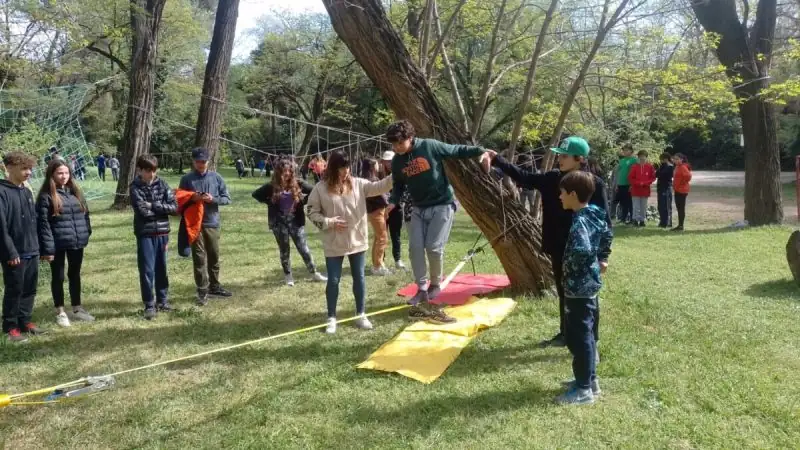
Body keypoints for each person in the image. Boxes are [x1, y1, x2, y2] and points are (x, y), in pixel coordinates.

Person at [488, 136, 610, 348]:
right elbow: (524, 177)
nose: (559, 159)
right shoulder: (552, 178)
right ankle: (565, 334)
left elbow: (604, 221)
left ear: (579, 159)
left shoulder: (593, 184)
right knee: (564, 291)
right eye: (558, 155)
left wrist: (603, 255)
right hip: (558, 246)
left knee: (586, 296)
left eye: (564, 156)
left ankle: (591, 339)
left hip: (584, 250)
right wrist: (497, 159)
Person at [385, 120, 492, 324]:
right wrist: (393, 202)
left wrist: (480, 151)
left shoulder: (430, 146)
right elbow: (398, 185)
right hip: (417, 207)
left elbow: (456, 150)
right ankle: (422, 289)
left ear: (410, 138)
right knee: (415, 248)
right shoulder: (398, 161)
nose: (396, 148)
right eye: (393, 144)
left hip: (442, 204)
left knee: (433, 248)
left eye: (399, 143)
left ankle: (435, 284)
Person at [307, 150, 393, 334]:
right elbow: (311, 211)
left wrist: (398, 171)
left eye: (347, 167)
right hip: (334, 242)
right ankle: (331, 317)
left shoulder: (359, 184)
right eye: (341, 167)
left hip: (357, 240)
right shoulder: (320, 189)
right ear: (332, 168)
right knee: (334, 280)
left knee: (359, 278)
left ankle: (360, 314)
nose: (345, 171)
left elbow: (381, 186)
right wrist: (328, 222)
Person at [555, 170, 612, 405]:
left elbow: (581, 249)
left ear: (573, 194)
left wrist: (567, 267)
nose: (559, 197)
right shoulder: (595, 213)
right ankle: (590, 380)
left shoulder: (579, 221)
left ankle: (583, 390)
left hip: (578, 288)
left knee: (579, 338)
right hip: (591, 285)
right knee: (587, 334)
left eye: (562, 193)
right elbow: (608, 234)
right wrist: (601, 259)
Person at [36, 159, 94, 327]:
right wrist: (47, 247)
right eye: (60, 173)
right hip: (57, 244)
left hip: (76, 242)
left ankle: (77, 308)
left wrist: (86, 232)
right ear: (52, 174)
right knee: (58, 277)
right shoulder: (46, 196)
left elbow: (86, 214)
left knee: (75, 275)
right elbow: (43, 224)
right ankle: (60, 311)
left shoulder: (76, 192)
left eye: (66, 173)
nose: (64, 176)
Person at [252, 158, 327, 286]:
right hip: (279, 223)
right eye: (283, 171)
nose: (286, 173)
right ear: (278, 172)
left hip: (295, 221)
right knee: (284, 250)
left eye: (288, 170)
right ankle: (288, 276)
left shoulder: (298, 183)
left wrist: (304, 200)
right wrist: (269, 202)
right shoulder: (271, 186)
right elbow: (256, 194)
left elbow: (315, 190)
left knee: (304, 248)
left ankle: (314, 272)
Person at [179, 148, 233, 305]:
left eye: (203, 161)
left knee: (214, 256)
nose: (201, 164)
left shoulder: (216, 177)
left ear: (209, 162)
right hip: (195, 224)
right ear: (193, 162)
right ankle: (202, 290)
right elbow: (180, 201)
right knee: (199, 258)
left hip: (212, 222)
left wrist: (213, 199)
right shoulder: (186, 179)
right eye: (198, 161)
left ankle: (215, 286)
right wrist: (193, 198)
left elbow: (227, 199)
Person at [0, 152, 44, 342]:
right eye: (24, 169)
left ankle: (24, 320)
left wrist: (38, 246)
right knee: (14, 289)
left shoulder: (26, 192)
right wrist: (10, 250)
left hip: (31, 249)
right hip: (14, 252)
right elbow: (1, 226)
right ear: (9, 168)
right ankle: (10, 326)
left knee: (29, 288)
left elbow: (33, 222)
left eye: (30, 169)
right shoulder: (2, 192)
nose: (28, 173)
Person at [130, 155, 178, 319]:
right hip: (146, 234)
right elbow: (142, 212)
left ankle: (162, 301)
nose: (151, 174)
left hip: (163, 233)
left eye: (154, 170)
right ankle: (149, 304)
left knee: (161, 268)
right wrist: (160, 210)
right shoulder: (135, 187)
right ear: (140, 170)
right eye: (148, 171)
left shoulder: (163, 184)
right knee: (147, 270)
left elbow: (174, 208)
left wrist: (154, 206)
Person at [362, 158, 391, 276]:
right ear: (372, 167)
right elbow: (382, 197)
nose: (379, 165)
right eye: (376, 164)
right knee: (383, 238)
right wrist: (389, 200)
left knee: (378, 238)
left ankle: (376, 263)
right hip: (376, 211)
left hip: (374, 211)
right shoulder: (372, 180)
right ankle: (378, 266)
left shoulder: (365, 179)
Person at [380, 150, 406, 270]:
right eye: (386, 161)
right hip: (382, 210)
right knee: (382, 236)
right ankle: (381, 260)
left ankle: (397, 259)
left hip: (396, 209)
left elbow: (402, 191)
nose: (389, 163)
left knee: (396, 236)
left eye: (390, 161)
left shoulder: (400, 173)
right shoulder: (379, 175)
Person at [628, 150, 656, 227]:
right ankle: (635, 220)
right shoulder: (634, 166)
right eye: (640, 157)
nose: (642, 158)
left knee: (643, 206)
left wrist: (646, 183)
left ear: (646, 157)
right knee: (636, 206)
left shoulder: (650, 166)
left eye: (644, 157)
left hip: (645, 189)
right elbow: (630, 177)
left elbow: (653, 177)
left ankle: (642, 220)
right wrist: (638, 183)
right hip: (635, 189)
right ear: (638, 157)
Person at [615, 145, 637, 223]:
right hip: (621, 183)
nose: (625, 152)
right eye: (624, 150)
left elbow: (635, 173)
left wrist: (632, 184)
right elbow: (619, 172)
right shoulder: (622, 160)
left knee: (630, 201)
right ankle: (623, 218)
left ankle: (632, 218)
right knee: (622, 201)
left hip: (629, 184)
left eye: (627, 150)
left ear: (631, 151)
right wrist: (617, 184)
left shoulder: (634, 160)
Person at [672, 153, 692, 232]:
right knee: (679, 208)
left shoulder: (683, 167)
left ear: (681, 159)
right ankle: (680, 225)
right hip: (677, 190)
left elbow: (688, 176)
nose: (675, 160)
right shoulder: (677, 166)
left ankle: (681, 226)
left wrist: (682, 183)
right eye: (675, 159)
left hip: (682, 190)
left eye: (677, 159)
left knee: (681, 208)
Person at [655, 152, 674, 228]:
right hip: (660, 187)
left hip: (666, 187)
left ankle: (667, 222)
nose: (660, 161)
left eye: (661, 159)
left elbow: (663, 175)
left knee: (666, 205)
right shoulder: (662, 166)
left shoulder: (670, 166)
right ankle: (662, 221)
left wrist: (660, 172)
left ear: (666, 159)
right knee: (660, 205)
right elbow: (656, 174)